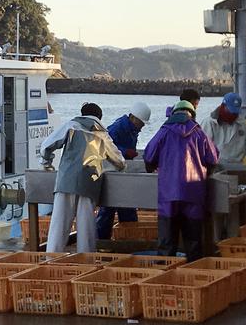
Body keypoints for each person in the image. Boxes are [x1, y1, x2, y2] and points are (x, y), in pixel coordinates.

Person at [40, 103, 125, 253]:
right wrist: (109, 167)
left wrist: (47, 162)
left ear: (82, 113)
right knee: (86, 229)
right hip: (89, 184)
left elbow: (47, 145)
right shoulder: (102, 134)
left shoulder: (71, 125)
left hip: (66, 181)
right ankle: (86, 262)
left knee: (59, 225)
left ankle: (50, 260)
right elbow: (120, 161)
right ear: (99, 117)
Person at [143, 100, 218, 262]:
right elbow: (213, 158)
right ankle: (195, 275)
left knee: (166, 245)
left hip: (168, 195)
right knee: (194, 244)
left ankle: (165, 278)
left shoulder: (164, 131)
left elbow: (149, 156)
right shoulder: (199, 133)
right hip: (194, 194)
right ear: (191, 114)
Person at [95, 102, 152, 240]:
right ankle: (102, 242)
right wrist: (126, 152)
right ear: (133, 118)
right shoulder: (117, 128)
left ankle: (129, 239)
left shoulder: (132, 130)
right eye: (141, 123)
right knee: (107, 211)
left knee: (128, 207)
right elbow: (105, 148)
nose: (142, 127)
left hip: (122, 172)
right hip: (112, 173)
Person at [201, 92, 246, 165]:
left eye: (235, 112)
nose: (233, 114)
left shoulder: (242, 124)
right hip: (215, 168)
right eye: (230, 111)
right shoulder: (209, 123)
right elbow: (202, 148)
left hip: (237, 167)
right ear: (223, 106)